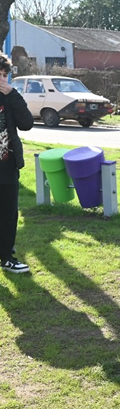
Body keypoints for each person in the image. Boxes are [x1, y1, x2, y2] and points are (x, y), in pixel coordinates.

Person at [0, 52, 34, 274]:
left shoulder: (10, 97)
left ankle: (6, 257)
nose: (2, 80)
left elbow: (27, 124)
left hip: (7, 165)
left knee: (8, 214)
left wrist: (13, 94)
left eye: (4, 75)